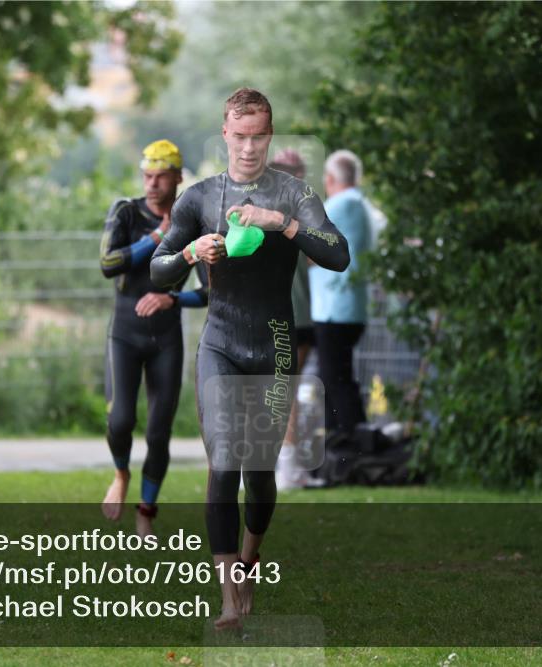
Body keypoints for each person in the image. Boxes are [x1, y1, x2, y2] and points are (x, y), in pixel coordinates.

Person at [150, 88, 350, 629]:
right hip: (221, 340)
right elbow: (159, 268)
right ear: (225, 136)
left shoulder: (295, 193)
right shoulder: (198, 197)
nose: (248, 147)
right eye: (239, 137)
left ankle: (250, 558)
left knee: (260, 473)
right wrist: (193, 251)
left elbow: (337, 253)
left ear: (270, 135)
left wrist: (279, 223)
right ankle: (227, 590)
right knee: (223, 464)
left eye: (258, 136)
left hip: (277, 344)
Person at [99, 139, 209, 537]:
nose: (152, 184)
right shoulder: (126, 211)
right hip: (124, 334)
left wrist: (171, 297)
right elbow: (108, 264)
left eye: (161, 177)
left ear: (178, 178)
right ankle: (121, 473)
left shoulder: (193, 223)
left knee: (159, 429)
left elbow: (211, 292)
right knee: (120, 418)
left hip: (166, 339)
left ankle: (146, 510)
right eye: (147, 176)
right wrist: (155, 237)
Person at [310, 150, 372, 435]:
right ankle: (341, 444)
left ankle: (351, 442)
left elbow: (307, 241)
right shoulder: (361, 205)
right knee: (334, 377)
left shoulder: (338, 205)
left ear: (331, 178)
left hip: (334, 308)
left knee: (335, 380)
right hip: (351, 307)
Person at [268, 149, 315, 490]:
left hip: (292, 314)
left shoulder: (266, 212)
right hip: (290, 314)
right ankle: (287, 468)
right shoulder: (302, 213)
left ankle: (281, 467)